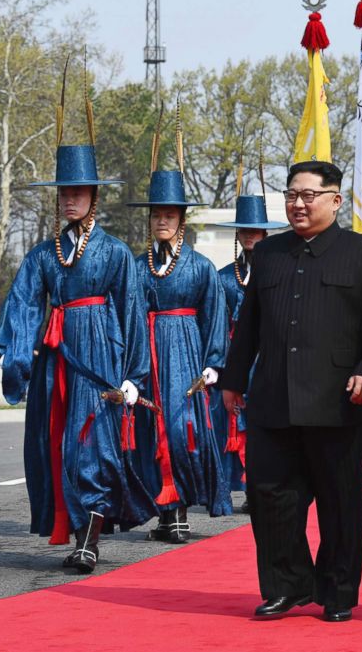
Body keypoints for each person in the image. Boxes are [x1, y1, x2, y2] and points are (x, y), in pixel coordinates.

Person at [220, 160, 362, 623]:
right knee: (270, 497)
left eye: (308, 195)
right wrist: (234, 379)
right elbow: (249, 322)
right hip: (273, 397)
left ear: (335, 199)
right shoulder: (269, 253)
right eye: (292, 194)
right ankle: (287, 586)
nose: (298, 203)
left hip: (338, 400)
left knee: (339, 504)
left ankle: (337, 592)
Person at [0, 131, 155, 573]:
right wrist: (17, 355)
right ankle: (73, 526)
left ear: (94, 197)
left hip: (100, 359)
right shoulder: (44, 254)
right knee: (58, 445)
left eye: (78, 192)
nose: (70, 199)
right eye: (64, 192)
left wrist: (133, 376)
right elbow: (24, 302)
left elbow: (133, 313)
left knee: (94, 447)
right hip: (56, 360)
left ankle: (89, 543)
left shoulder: (117, 254)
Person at [129, 138, 232, 544]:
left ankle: (183, 506)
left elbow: (215, 317)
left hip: (187, 354)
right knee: (151, 432)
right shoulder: (137, 267)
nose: (162, 222)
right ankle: (165, 512)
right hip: (147, 353)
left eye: (169, 215)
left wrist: (213, 362)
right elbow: (127, 315)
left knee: (182, 430)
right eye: (157, 215)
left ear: (181, 220)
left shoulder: (202, 267)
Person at [212, 188, 286, 511]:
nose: (250, 235)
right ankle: (226, 489)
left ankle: (264, 487)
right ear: (238, 233)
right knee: (231, 425)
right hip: (236, 356)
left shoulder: (278, 270)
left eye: (256, 230)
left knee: (266, 426)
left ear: (265, 232)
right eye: (245, 230)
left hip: (269, 358)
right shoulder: (225, 277)